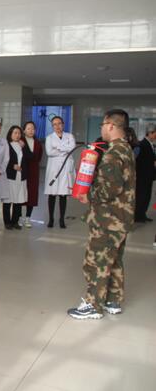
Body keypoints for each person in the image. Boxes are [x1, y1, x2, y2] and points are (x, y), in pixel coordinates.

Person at [68, 109, 135, 320]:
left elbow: (109, 190)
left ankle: (92, 304)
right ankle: (112, 301)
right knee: (114, 260)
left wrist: (87, 195)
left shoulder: (114, 153)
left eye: (103, 125)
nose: (102, 129)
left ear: (111, 126)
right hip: (121, 217)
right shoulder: (126, 149)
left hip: (108, 219)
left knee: (96, 261)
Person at [44, 116, 76, 228]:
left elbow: (72, 148)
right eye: (54, 124)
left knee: (63, 194)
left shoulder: (70, 136)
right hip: (53, 169)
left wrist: (57, 148)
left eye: (59, 123)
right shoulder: (49, 138)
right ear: (52, 126)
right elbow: (49, 152)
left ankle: (62, 219)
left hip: (66, 167)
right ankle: (51, 219)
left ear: (63, 124)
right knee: (52, 194)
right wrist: (65, 149)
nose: (57, 126)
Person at [3, 126, 28, 229]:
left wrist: (24, 147)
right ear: (10, 134)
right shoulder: (7, 145)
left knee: (18, 199)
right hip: (10, 176)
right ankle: (7, 222)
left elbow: (29, 157)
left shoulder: (22, 145)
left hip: (21, 177)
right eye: (15, 133)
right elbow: (4, 160)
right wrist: (12, 165)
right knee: (8, 200)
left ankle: (15, 221)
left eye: (19, 133)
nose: (17, 135)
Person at [22, 121, 43, 228]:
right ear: (24, 130)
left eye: (33, 129)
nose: (31, 131)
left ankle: (28, 218)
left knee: (31, 194)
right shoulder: (20, 141)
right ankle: (17, 217)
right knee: (20, 193)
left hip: (33, 171)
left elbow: (38, 157)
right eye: (28, 128)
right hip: (22, 171)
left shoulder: (38, 143)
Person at [134, 123, 156, 222]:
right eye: (155, 134)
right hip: (142, 177)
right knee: (141, 196)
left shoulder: (151, 144)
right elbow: (137, 161)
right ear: (150, 133)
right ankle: (138, 216)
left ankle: (143, 214)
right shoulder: (142, 145)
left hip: (149, 176)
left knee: (147, 196)